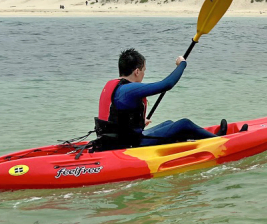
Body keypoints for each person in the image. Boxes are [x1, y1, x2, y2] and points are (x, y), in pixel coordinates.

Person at [94, 48, 227, 149]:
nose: (143, 74)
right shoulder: (128, 90)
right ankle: (219, 141)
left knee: (169, 123)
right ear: (137, 71)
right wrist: (182, 64)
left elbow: (116, 116)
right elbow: (167, 84)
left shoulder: (115, 86)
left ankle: (195, 143)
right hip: (130, 144)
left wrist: (138, 122)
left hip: (116, 140)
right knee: (184, 124)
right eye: (144, 70)